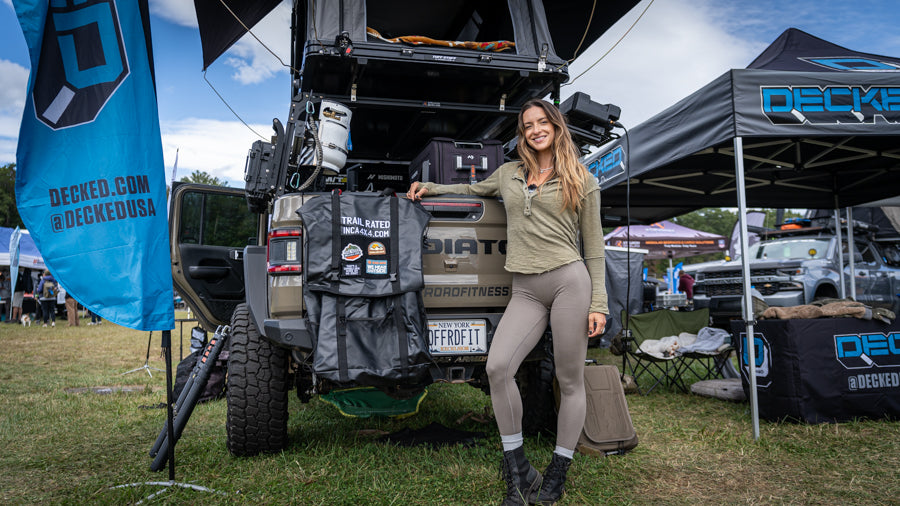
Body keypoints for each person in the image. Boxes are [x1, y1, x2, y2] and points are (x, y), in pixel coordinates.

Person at [408, 98, 608, 505]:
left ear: (555, 127)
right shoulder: (508, 173)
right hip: (526, 289)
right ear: (522, 133)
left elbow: (595, 247)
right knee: (498, 367)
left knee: (568, 381)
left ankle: (556, 474)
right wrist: (431, 188)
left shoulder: (581, 179)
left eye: (542, 123)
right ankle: (519, 470)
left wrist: (599, 303)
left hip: (570, 281)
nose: (535, 130)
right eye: (527, 125)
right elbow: (469, 189)